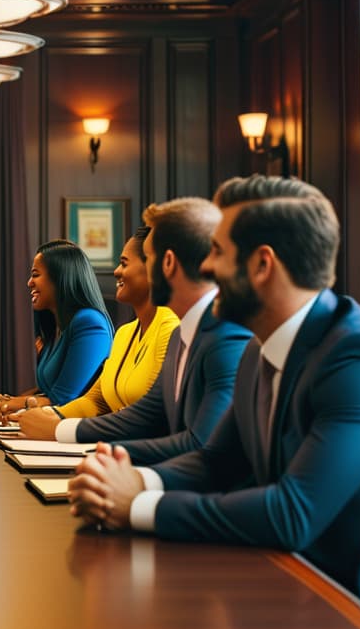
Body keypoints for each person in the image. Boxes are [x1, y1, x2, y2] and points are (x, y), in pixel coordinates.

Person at [68, 175, 360, 629]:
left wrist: (140, 505)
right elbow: (216, 460)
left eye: (219, 252)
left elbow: (294, 512)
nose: (206, 266)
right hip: (304, 582)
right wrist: (131, 481)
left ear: (262, 264)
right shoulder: (260, 348)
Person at [15, 200, 251, 467]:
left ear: (168, 263)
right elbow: (146, 413)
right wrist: (57, 424)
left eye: (142, 260)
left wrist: (113, 467)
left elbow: (200, 446)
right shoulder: (182, 334)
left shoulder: (222, 336)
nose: (116, 271)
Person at [16, 227, 177, 424]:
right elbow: (95, 401)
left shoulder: (171, 329)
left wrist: (60, 427)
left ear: (156, 266)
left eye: (124, 263)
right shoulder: (124, 333)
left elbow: (151, 417)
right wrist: (46, 417)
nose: (116, 271)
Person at [0, 240, 113, 417]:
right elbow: (47, 393)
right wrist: (2, 403)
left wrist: (9, 405)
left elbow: (65, 400)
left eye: (35, 275)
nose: (29, 283)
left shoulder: (89, 322)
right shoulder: (55, 328)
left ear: (61, 277)